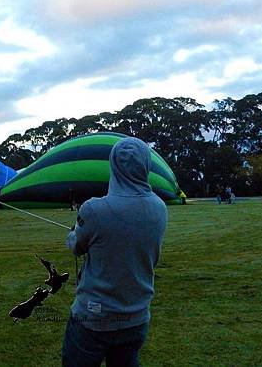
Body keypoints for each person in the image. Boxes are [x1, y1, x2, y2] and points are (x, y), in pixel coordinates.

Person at [62, 137, 168, 367]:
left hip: (94, 317)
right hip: (137, 316)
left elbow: (76, 247)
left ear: (113, 165)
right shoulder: (159, 207)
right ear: (146, 165)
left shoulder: (94, 209)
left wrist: (74, 233)